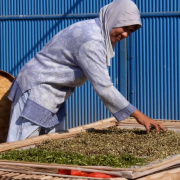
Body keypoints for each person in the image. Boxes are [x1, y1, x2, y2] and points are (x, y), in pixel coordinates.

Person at [7, 0, 166, 142]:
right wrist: (139, 116)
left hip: (53, 92)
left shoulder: (95, 30)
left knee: (50, 142)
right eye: (124, 27)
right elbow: (104, 87)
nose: (125, 34)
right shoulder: (91, 40)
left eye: (130, 31)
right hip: (36, 89)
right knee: (22, 145)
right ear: (114, 18)